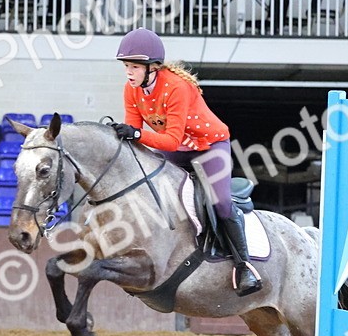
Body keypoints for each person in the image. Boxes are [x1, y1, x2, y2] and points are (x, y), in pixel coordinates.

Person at [112, 28, 262, 296]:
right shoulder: (131, 90)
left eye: (134, 66)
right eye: (126, 66)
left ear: (153, 67)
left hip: (209, 146)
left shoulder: (177, 87)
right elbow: (135, 137)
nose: (129, 72)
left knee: (221, 203)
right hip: (179, 147)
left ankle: (244, 266)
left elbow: (168, 140)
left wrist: (135, 133)